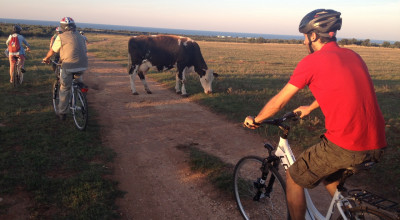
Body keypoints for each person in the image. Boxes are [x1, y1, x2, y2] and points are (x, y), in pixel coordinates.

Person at [243, 9, 387, 220]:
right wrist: (310, 107)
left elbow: (280, 101)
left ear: (313, 36)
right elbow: (341, 88)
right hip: (377, 144)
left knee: (294, 177)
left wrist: (256, 120)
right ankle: (350, 214)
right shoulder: (353, 56)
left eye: (304, 36)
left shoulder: (312, 62)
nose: (303, 42)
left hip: (346, 145)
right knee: (329, 177)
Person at [42, 17, 88, 120]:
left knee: (65, 87)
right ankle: (79, 90)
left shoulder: (60, 37)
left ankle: (62, 113)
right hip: (83, 65)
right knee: (77, 79)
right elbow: (84, 50)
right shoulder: (81, 36)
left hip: (68, 66)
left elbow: (53, 51)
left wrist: (46, 58)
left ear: (62, 26)